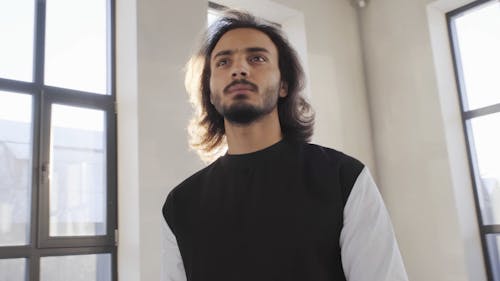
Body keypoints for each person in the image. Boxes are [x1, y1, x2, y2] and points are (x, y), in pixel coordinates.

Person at [162, 9, 408, 281]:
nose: (239, 69)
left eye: (257, 58)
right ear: (209, 89)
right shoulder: (180, 205)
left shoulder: (344, 180)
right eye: (223, 62)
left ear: (284, 85)